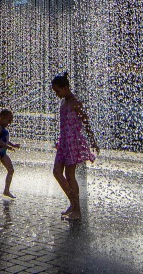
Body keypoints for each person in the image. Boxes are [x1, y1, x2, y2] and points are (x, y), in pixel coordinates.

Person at [51, 72, 99, 221]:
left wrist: (93, 141)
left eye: (58, 91)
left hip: (73, 142)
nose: (57, 94)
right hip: (64, 142)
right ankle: (73, 204)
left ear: (65, 88)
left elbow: (86, 122)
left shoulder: (75, 102)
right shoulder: (64, 103)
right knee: (57, 172)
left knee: (70, 176)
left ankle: (77, 210)